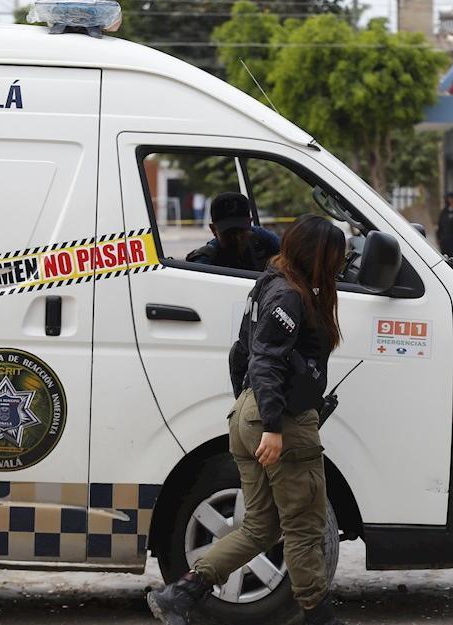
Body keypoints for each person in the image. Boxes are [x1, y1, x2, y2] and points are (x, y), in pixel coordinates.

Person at [148, 214, 348, 625]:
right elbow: (266, 360)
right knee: (304, 525)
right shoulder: (290, 296)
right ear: (318, 256)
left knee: (259, 528)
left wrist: (250, 409)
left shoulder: (269, 285)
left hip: (251, 412)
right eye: (336, 257)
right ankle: (319, 617)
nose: (340, 266)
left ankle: (181, 594)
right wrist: (271, 425)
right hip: (279, 421)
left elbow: (242, 352)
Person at [186, 191, 281, 272]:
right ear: (213, 229)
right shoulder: (205, 259)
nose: (236, 238)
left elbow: (287, 253)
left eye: (241, 231)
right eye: (228, 233)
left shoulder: (262, 238)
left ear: (249, 224)